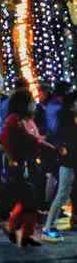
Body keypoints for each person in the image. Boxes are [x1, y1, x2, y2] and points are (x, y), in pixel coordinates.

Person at [0, 90, 55, 248]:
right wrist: (12, 159)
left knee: (28, 202)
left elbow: (34, 139)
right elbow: (6, 139)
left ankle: (24, 233)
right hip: (19, 167)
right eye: (31, 101)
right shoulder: (14, 120)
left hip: (28, 164)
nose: (34, 104)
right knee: (29, 201)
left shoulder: (26, 120)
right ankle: (16, 229)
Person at [41, 93, 77, 242]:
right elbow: (60, 140)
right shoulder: (66, 122)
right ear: (71, 105)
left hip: (70, 161)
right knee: (62, 194)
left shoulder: (70, 120)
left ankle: (50, 227)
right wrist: (62, 148)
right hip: (69, 162)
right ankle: (48, 228)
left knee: (63, 194)